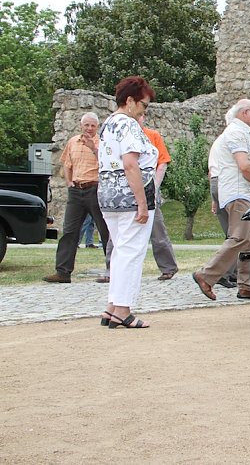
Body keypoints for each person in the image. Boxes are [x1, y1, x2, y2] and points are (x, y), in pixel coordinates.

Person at [98, 76, 158, 328]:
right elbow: (131, 163)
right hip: (130, 196)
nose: (145, 110)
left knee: (121, 251)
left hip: (109, 195)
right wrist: (142, 203)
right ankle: (123, 309)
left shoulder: (108, 124)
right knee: (131, 253)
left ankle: (112, 307)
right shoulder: (129, 125)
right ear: (131, 101)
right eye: (144, 105)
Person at [192, 99, 250, 301]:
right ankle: (206, 275)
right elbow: (243, 166)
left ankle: (246, 286)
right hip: (238, 192)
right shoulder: (237, 133)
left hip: (239, 191)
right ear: (244, 113)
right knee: (241, 237)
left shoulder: (236, 133)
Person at [104, 112, 179, 281]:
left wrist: (154, 186)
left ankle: (168, 267)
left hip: (147, 187)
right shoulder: (118, 136)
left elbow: (162, 162)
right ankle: (111, 269)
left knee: (157, 229)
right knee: (116, 233)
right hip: (124, 190)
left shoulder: (152, 136)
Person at [43, 113, 111, 284]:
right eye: (86, 125)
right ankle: (63, 272)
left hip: (95, 189)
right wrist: (68, 182)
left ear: (97, 127)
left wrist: (93, 149)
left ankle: (113, 271)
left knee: (105, 231)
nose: (89, 128)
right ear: (81, 125)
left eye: (92, 126)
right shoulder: (72, 141)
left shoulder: (102, 143)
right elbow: (67, 163)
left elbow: (107, 163)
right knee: (70, 231)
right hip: (76, 191)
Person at [207, 106, 239, 288]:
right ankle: (221, 272)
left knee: (233, 232)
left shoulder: (218, 142)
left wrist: (215, 198)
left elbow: (212, 171)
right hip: (228, 183)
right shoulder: (233, 138)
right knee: (237, 234)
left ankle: (233, 272)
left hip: (217, 183)